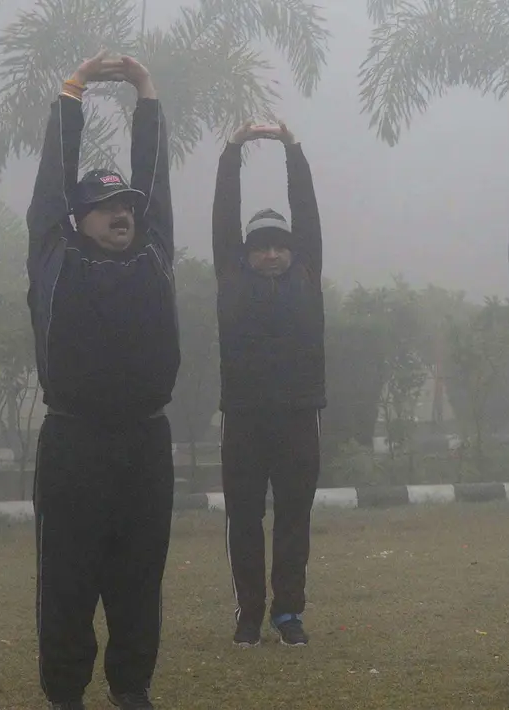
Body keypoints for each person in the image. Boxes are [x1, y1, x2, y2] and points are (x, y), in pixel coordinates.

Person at [27, 52, 178, 710]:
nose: (121, 212)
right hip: (73, 445)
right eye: (105, 206)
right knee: (67, 579)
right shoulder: (55, 262)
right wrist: (74, 91)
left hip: (146, 444)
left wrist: (145, 91)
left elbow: (155, 177)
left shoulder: (154, 256)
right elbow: (49, 186)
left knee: (138, 577)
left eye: (126, 206)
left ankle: (131, 689)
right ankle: (65, 694)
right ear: (78, 218)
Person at [211, 120, 326, 648]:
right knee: (244, 519)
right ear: (246, 253)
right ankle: (250, 613)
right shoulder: (232, 280)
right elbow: (222, 219)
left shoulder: (306, 276)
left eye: (281, 245)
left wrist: (293, 149)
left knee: (293, 518)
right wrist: (233, 150)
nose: (273, 253)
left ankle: (288, 613)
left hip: (300, 416)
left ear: (294, 251)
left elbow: (307, 215)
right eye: (262, 246)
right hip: (245, 419)